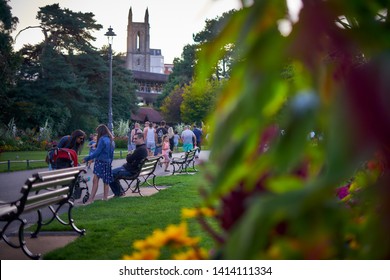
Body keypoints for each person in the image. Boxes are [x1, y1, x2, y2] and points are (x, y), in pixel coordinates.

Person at [82, 124, 115, 203]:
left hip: (100, 162)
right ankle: (105, 198)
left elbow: (97, 153)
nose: (97, 134)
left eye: (97, 132)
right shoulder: (111, 140)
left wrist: (87, 158)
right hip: (108, 162)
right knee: (106, 181)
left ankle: (91, 199)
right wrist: (110, 162)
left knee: (95, 180)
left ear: (100, 132)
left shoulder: (102, 139)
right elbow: (112, 154)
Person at [109, 132, 148, 197]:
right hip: (133, 169)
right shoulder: (143, 148)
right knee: (112, 172)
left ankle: (119, 193)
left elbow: (129, 159)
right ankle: (120, 192)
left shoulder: (140, 149)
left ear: (141, 138)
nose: (134, 140)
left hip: (131, 171)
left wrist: (129, 154)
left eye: (136, 138)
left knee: (110, 173)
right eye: (133, 138)